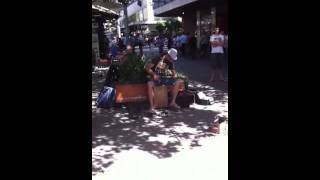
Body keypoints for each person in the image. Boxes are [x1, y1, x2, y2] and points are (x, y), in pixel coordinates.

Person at [145, 48, 184, 113]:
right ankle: (151, 107)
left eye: (172, 59)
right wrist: (154, 74)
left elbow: (174, 72)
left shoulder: (170, 61)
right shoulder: (158, 58)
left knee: (178, 81)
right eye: (171, 58)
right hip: (156, 78)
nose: (172, 60)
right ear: (168, 55)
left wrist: (175, 75)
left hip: (165, 79)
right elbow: (147, 68)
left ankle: (172, 102)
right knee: (149, 84)